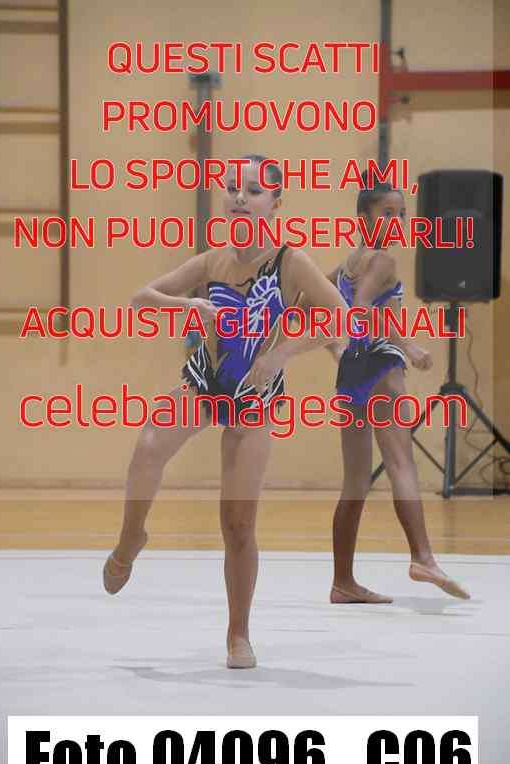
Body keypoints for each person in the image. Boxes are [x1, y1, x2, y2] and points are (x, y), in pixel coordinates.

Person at [103, 155, 348, 668]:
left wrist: (282, 354)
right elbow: (141, 298)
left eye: (254, 190)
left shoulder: (291, 262)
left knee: (237, 523)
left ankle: (238, 633)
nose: (240, 196)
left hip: (255, 396)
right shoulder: (212, 261)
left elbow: (339, 319)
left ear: (275, 203)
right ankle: (131, 537)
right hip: (205, 382)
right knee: (148, 447)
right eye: (233, 187)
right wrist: (187, 307)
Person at [253, 172, 471, 603]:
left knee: (356, 481)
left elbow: (310, 302)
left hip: (352, 373)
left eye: (402, 214)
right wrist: (408, 346)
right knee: (402, 465)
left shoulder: (353, 260)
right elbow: (360, 308)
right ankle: (422, 557)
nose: (397, 221)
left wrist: (332, 346)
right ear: (362, 217)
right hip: (380, 367)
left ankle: (343, 582)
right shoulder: (383, 261)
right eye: (386, 213)